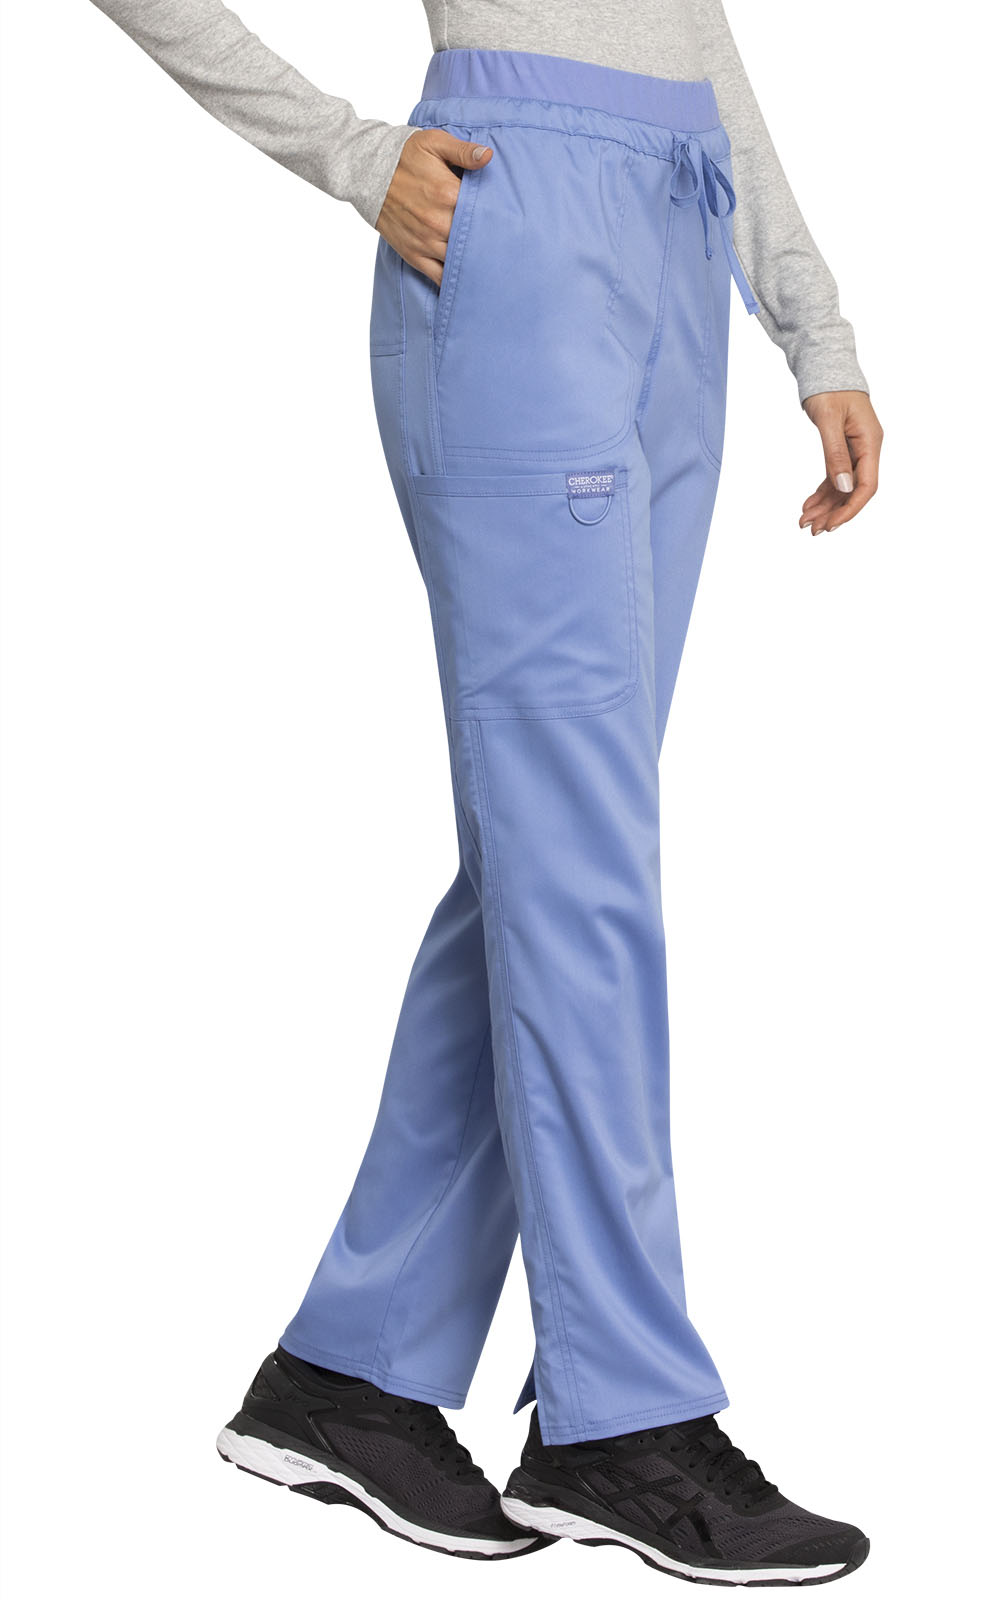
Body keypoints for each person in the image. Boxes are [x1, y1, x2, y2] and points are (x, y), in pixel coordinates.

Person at [89, 0, 883, 1584]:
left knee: (550, 855)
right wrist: (352, 156)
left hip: (679, 245)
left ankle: (352, 1377)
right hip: (518, 242)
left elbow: (691, 35)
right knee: (578, 865)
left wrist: (816, 327)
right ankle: (623, 1420)